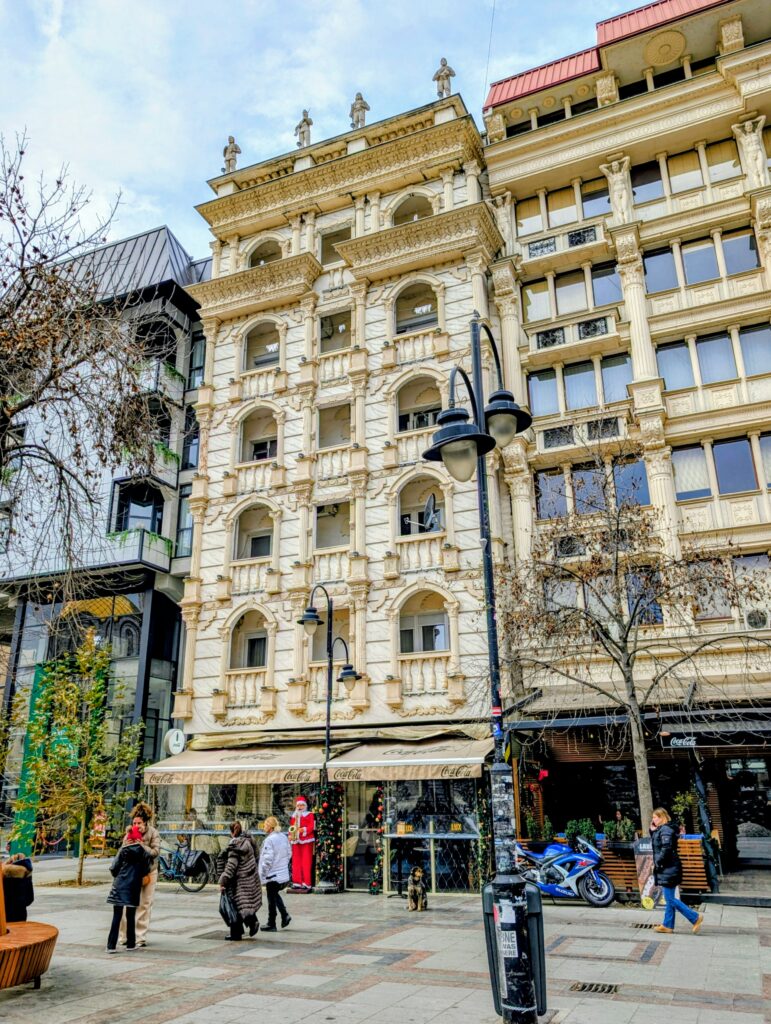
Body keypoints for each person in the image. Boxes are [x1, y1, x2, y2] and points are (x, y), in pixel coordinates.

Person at [650, 807, 704, 934]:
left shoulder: (666, 830)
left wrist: (658, 862)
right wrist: (652, 831)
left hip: (669, 868)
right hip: (668, 868)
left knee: (670, 899)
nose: (653, 820)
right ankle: (667, 925)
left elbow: (666, 849)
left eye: (655, 817)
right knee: (669, 898)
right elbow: (658, 843)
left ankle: (695, 917)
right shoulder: (663, 829)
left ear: (661, 817)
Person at [118, 803, 160, 948]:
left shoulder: (153, 833)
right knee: (128, 903)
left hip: (149, 871)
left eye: (139, 823)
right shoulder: (129, 832)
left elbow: (155, 852)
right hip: (132, 872)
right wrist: (127, 843)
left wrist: (141, 844)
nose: (136, 826)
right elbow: (122, 853)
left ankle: (140, 937)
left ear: (145, 822)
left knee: (145, 903)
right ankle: (124, 936)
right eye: (134, 823)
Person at [106, 823, 151, 953]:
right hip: (133, 887)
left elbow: (114, 868)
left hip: (119, 886)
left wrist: (118, 877)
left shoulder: (123, 850)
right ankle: (131, 944)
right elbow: (146, 870)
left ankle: (111, 946)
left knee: (117, 916)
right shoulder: (143, 853)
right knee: (131, 915)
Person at [218, 821, 262, 941]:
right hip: (250, 878)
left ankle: (237, 933)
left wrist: (223, 881)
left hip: (238, 881)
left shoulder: (235, 846)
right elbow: (256, 856)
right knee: (244, 904)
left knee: (234, 905)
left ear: (231, 832)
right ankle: (251, 923)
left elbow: (231, 866)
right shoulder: (248, 841)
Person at [258, 816, 292, 932]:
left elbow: (267, 860)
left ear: (270, 827)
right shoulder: (283, 837)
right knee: (274, 895)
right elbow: (289, 853)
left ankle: (272, 923)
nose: (264, 827)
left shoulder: (270, 840)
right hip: (283, 875)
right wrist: (282, 866)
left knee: (271, 898)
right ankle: (285, 915)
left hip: (273, 875)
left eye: (265, 825)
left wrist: (262, 874)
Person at [289, 796, 315, 890]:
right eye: (298, 805)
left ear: (305, 806)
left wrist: (303, 830)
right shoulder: (294, 815)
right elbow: (291, 827)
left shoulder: (310, 815)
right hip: (295, 840)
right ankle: (297, 882)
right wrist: (290, 835)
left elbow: (312, 826)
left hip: (306, 840)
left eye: (302, 805)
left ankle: (306, 883)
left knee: (306, 861)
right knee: (296, 862)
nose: (300, 807)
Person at [2, 853, 34, 922]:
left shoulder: (3, 871)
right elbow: (29, 899)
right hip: (21, 915)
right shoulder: (27, 871)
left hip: (5, 915)